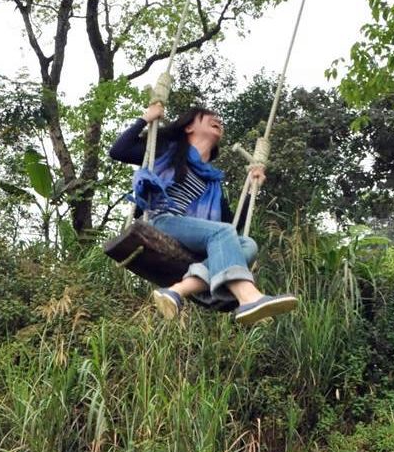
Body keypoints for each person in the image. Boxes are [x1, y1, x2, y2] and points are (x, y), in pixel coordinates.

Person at [110, 102, 297, 324]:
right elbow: (118, 151)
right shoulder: (167, 151)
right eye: (209, 116)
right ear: (189, 127)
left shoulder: (212, 183)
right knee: (223, 234)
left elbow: (231, 227)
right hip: (161, 220)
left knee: (247, 244)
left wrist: (251, 190)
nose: (218, 119)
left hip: (190, 235)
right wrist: (145, 119)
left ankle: (177, 291)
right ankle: (248, 297)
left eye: (219, 118)